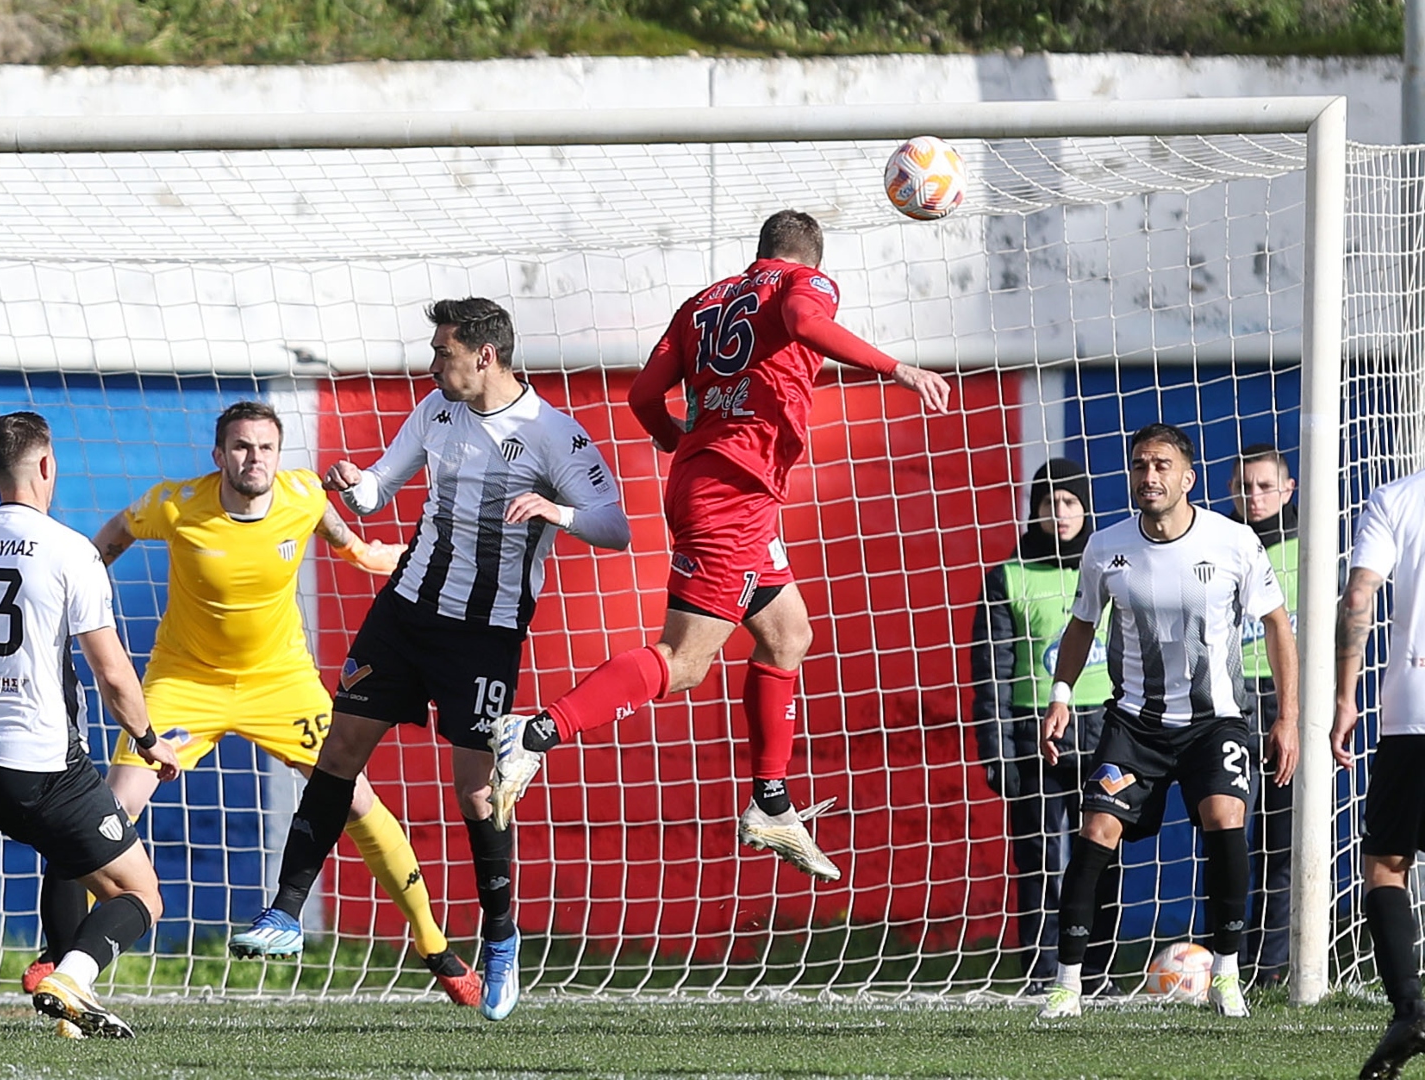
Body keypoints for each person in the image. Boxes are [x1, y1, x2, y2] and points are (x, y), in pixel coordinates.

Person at [486, 209, 952, 881]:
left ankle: (771, 801)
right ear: (811, 260)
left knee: (788, 635)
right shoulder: (804, 284)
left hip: (713, 486)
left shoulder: (701, 303)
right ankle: (534, 732)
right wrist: (896, 367)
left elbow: (645, 394)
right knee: (683, 663)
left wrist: (680, 440)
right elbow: (803, 319)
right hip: (734, 497)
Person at [227, 297, 631, 1023]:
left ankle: (501, 940)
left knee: (476, 793)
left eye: (443, 352)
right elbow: (380, 489)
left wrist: (558, 512)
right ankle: (284, 911)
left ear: (484, 355)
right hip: (405, 613)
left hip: (484, 634)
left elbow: (615, 525)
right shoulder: (437, 409)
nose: (433, 364)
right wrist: (357, 484)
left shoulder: (552, 435)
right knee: (338, 750)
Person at [22, 400, 482, 1008]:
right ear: (220, 455)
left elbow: (355, 547)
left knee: (357, 800)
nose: (254, 458)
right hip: (185, 684)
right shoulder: (175, 504)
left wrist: (408, 556)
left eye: (265, 447)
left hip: (281, 684)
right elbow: (111, 538)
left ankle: (434, 947)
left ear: (278, 454)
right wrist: (70, 591)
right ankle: (63, 952)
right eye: (241, 446)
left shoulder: (305, 497)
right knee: (109, 811)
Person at [0, 411, 182, 1039]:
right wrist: (150, 742)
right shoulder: (70, 551)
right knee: (141, 894)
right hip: (44, 766)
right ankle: (71, 976)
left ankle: (65, 999)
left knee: (70, 858)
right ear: (48, 465)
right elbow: (112, 673)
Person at [1034, 422, 1298, 1021]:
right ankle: (1066, 984)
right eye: (1139, 465)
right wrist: (1060, 696)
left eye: (1161, 466)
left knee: (1225, 819)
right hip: (1135, 725)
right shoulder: (1107, 547)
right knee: (1097, 830)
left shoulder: (1234, 542)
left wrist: (1288, 716)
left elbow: (1277, 625)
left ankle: (1226, 974)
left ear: (1188, 478)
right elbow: (1082, 624)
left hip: (1215, 723)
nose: (1148, 476)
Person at [969, 458, 1120, 997]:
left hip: (1107, 731)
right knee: (1041, 860)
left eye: (1069, 502)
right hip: (1034, 738)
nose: (1058, 513)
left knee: (1102, 855)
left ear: (1085, 509)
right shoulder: (1007, 577)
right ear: (1033, 511)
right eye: (1048, 503)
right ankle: (1043, 972)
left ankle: (1096, 972)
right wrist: (998, 751)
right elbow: (991, 672)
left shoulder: (1109, 572)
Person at [1336, 465, 1425, 1079]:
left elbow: (1359, 595)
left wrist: (1346, 699)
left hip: (1412, 709)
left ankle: (1410, 1010)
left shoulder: (1396, 498)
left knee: (1387, 864)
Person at [1230, 443, 1297, 987]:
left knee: (1282, 842)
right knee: (1227, 836)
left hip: (1287, 705)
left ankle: (1270, 968)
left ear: (1288, 489)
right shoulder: (1221, 542)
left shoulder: (1313, 545)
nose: (1253, 497)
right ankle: (1224, 958)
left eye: (1264, 486)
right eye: (1243, 487)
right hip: (1229, 704)